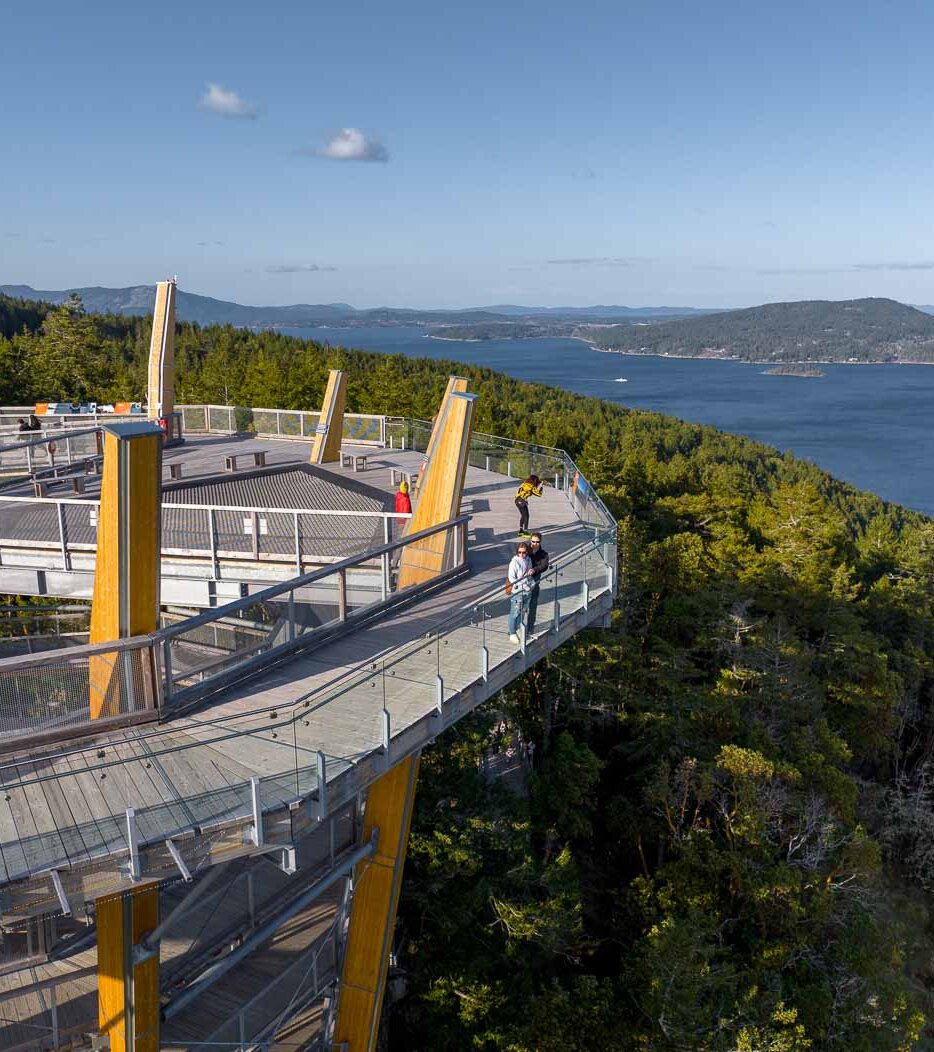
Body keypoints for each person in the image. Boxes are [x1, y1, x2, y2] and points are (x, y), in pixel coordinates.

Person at [507, 541, 533, 644]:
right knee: (515, 612)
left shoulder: (528, 559)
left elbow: (529, 573)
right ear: (517, 552)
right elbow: (512, 578)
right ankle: (512, 632)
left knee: (523, 611)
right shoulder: (514, 562)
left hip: (527, 590)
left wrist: (530, 581)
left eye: (524, 552)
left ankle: (518, 627)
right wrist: (523, 585)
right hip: (518, 591)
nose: (522, 554)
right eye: (520, 552)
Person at [526, 532, 550, 634]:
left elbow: (544, 566)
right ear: (530, 540)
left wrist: (534, 570)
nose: (534, 544)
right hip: (523, 581)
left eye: (537, 542)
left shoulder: (543, 554)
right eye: (533, 541)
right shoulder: (525, 550)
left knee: (532, 605)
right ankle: (516, 628)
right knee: (520, 605)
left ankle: (530, 627)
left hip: (535, 581)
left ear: (540, 542)